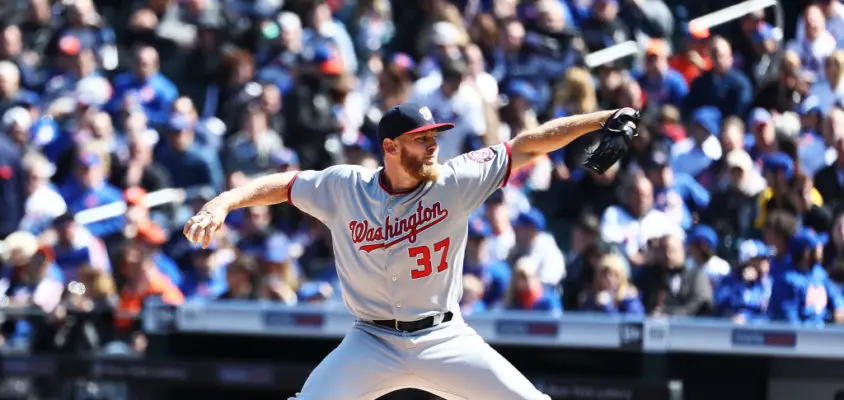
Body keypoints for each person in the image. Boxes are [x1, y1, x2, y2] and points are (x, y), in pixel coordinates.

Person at [183, 101, 638, 399]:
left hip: (444, 336)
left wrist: (601, 120)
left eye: (434, 135)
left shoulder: (456, 180)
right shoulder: (346, 187)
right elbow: (285, 185)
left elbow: (527, 145)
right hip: (371, 340)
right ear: (390, 147)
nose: (434, 145)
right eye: (422, 138)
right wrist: (224, 201)